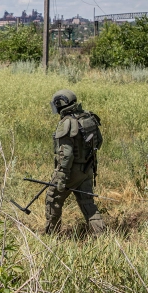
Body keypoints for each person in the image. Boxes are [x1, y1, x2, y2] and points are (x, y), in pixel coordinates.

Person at [44, 89, 106, 235]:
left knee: (53, 199)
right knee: (87, 203)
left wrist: (61, 177)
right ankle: (102, 235)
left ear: (60, 104)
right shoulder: (88, 117)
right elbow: (99, 142)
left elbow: (66, 155)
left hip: (71, 171)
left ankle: (51, 236)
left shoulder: (67, 123)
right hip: (87, 169)